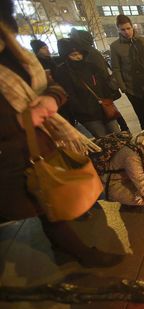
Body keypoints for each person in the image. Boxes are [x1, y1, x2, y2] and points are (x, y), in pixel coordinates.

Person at [0, 3, 122, 267]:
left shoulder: (15, 57)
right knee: (49, 206)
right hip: (15, 157)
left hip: (44, 140)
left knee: (51, 207)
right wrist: (19, 119)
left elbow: (52, 85)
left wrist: (51, 100)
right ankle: (81, 253)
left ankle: (67, 248)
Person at [54, 38, 120, 137]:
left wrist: (108, 99)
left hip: (104, 108)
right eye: (74, 55)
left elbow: (103, 85)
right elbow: (70, 95)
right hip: (88, 115)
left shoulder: (91, 66)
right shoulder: (63, 72)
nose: (78, 57)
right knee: (103, 139)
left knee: (117, 134)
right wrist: (82, 111)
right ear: (66, 56)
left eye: (79, 54)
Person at [110, 14, 144, 130]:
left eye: (128, 28)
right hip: (132, 88)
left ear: (132, 27)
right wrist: (123, 87)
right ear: (118, 29)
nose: (126, 32)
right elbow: (116, 68)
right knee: (142, 116)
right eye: (123, 29)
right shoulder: (115, 46)